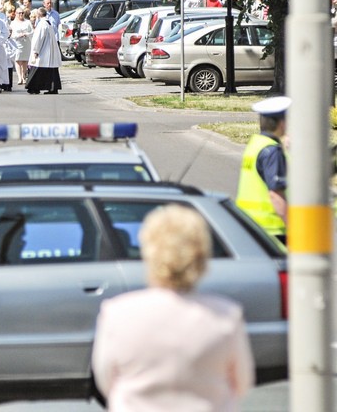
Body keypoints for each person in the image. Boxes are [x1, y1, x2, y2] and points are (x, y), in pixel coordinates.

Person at [92, 204, 254, 411]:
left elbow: (107, 381)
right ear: (201, 254)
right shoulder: (226, 316)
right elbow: (241, 383)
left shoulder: (116, 314)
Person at [236, 96, 290, 244]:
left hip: (250, 226)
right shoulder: (272, 151)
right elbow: (276, 195)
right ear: (282, 123)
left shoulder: (256, 143)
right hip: (273, 231)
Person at [25, 7, 62, 94]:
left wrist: (35, 51)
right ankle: (52, 88)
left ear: (38, 15)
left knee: (37, 69)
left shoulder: (42, 24)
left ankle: (34, 88)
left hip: (44, 51)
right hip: (48, 51)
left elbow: (38, 38)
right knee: (50, 70)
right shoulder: (47, 23)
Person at [10, 7, 33, 85]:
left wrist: (26, 34)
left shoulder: (28, 22)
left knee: (25, 60)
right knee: (18, 60)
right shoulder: (13, 23)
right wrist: (18, 35)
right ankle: (19, 77)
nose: (21, 14)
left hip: (26, 43)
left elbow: (32, 32)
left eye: (22, 13)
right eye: (19, 13)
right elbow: (11, 34)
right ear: (16, 14)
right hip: (17, 43)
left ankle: (23, 76)